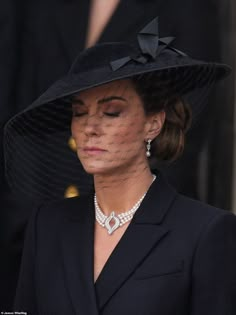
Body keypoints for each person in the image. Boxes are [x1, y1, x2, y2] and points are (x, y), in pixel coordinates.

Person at [5, 18, 236, 314]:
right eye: (79, 113)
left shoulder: (206, 231)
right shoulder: (47, 226)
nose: (90, 127)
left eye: (111, 112)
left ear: (153, 123)